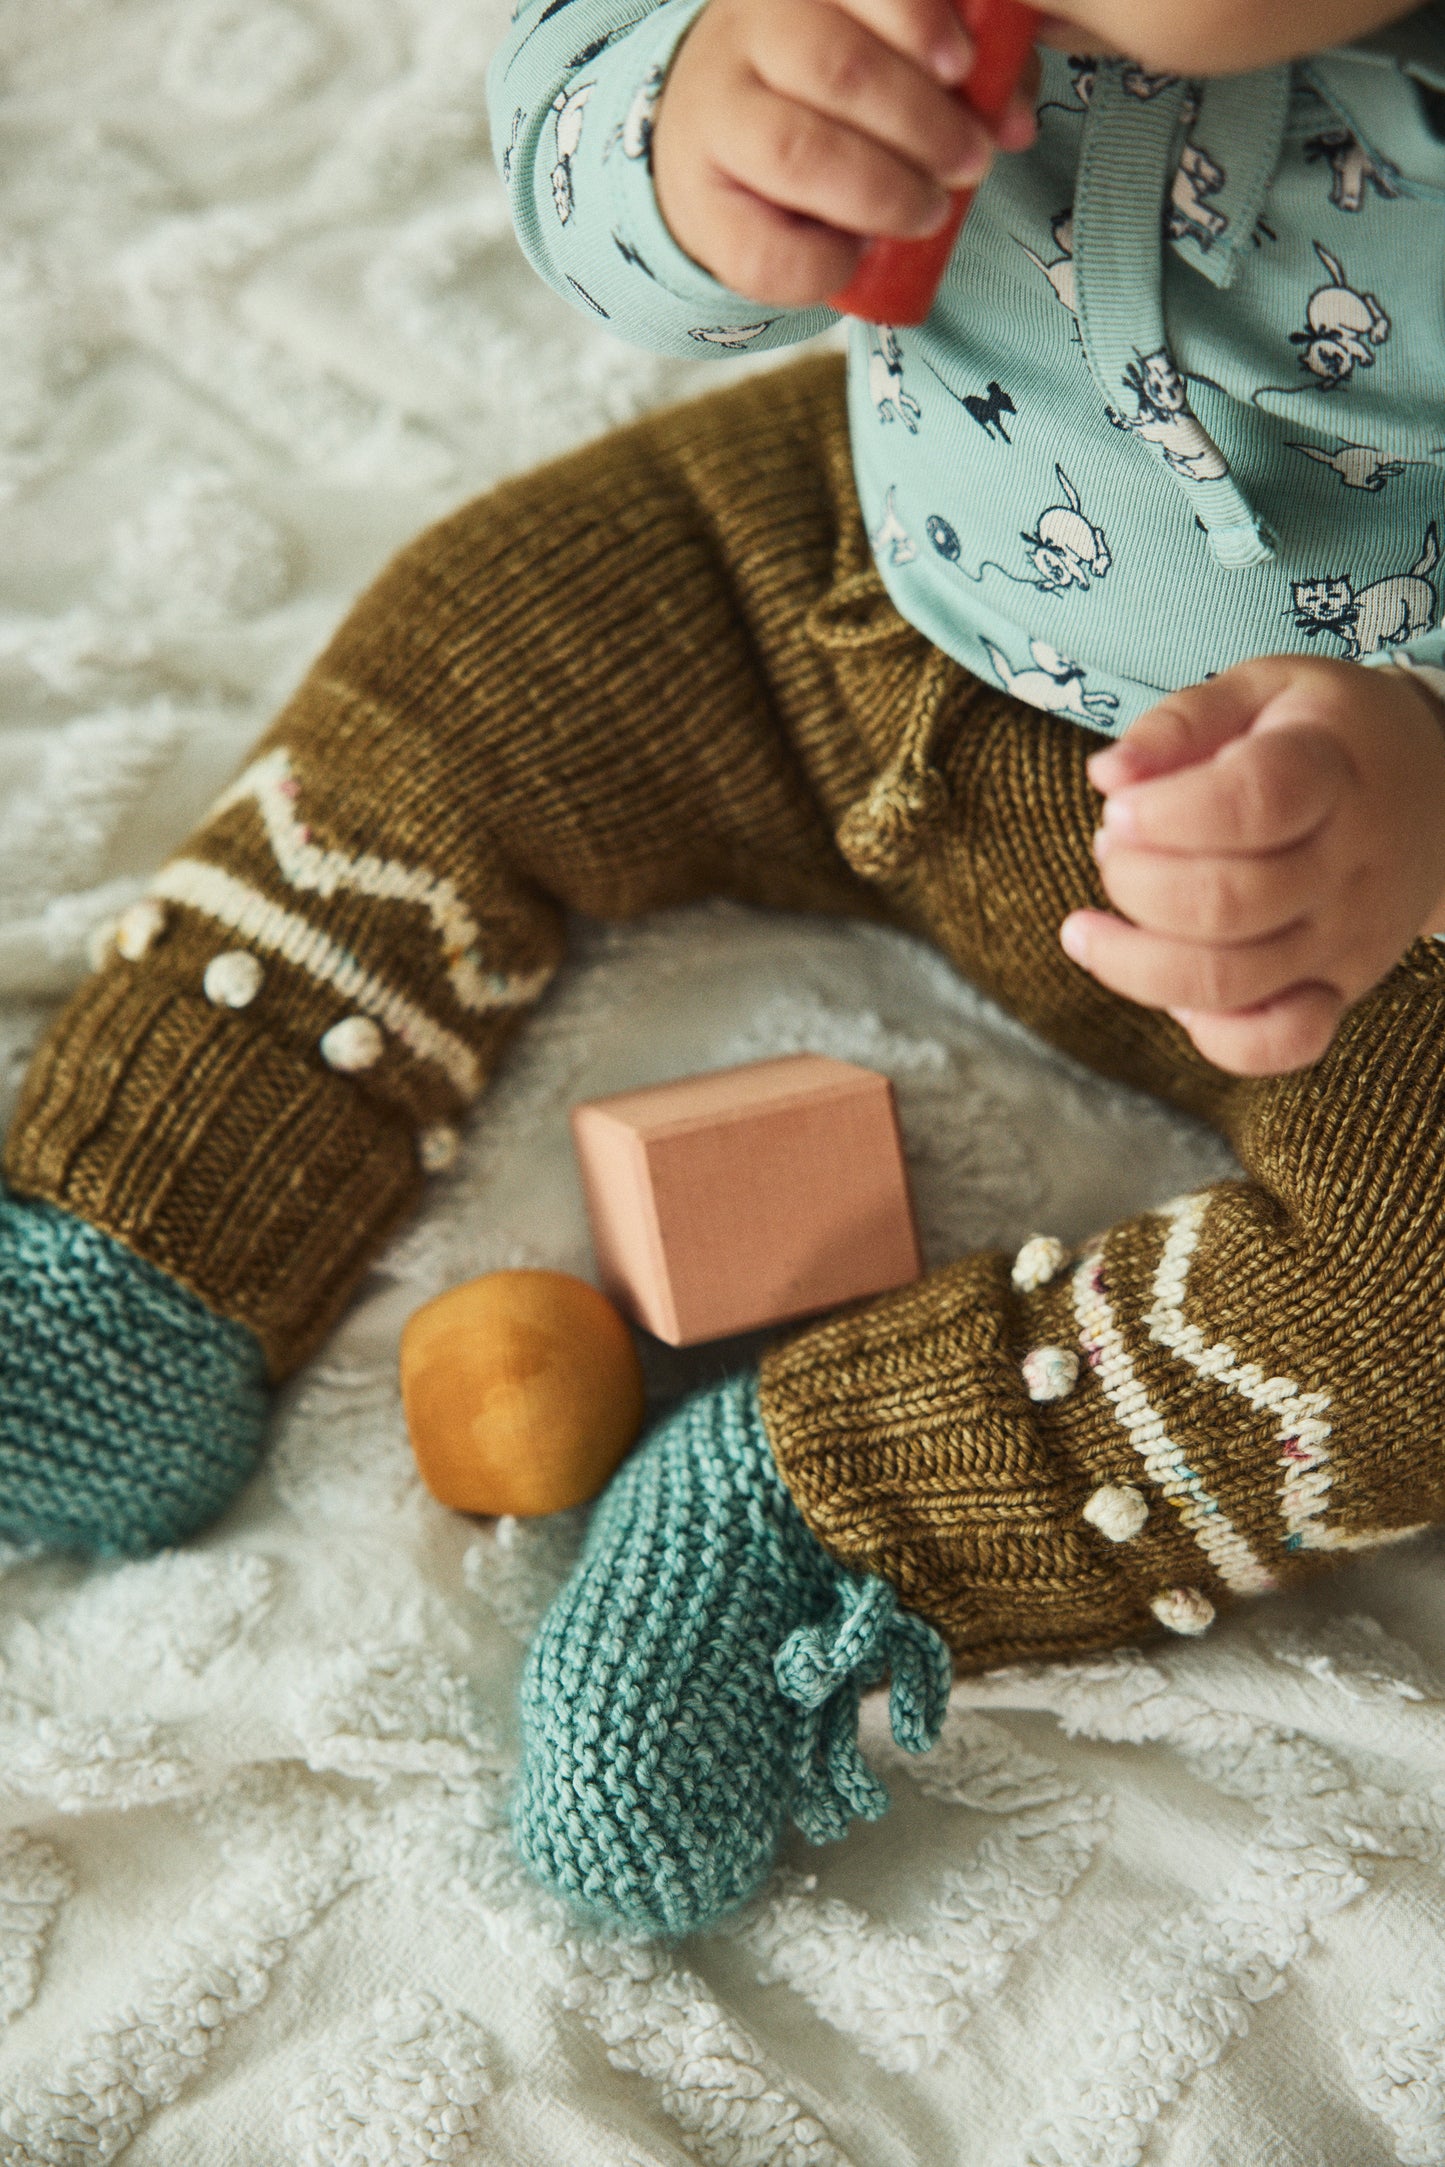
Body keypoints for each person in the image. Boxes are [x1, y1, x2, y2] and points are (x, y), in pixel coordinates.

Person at [4, 0, 1445, 1937]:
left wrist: (1417, 803)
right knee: (478, 642)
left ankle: (844, 1512)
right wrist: (694, 136)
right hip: (866, 574)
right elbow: (567, 98)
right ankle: (147, 1228)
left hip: (1331, 895)